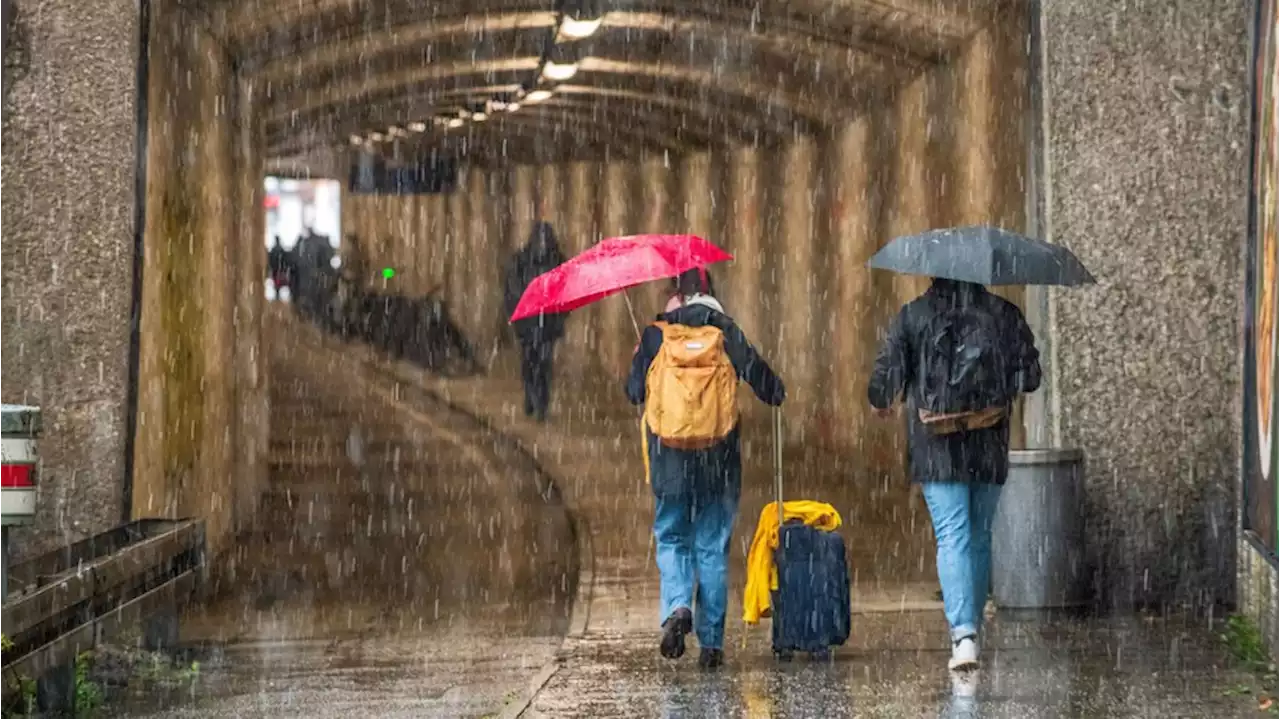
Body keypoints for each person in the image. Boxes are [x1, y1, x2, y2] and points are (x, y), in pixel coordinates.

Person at [867, 278, 1041, 671]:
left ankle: (963, 635)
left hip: (935, 443)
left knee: (952, 534)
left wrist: (882, 399)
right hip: (989, 440)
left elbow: (883, 381)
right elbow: (1030, 377)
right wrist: (996, 386)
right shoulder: (1003, 313)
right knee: (978, 535)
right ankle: (971, 629)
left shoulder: (913, 315)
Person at [627, 268, 785, 669]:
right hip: (720, 459)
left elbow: (631, 393)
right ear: (710, 292)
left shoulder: (656, 334)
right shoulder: (725, 330)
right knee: (711, 546)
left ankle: (679, 607)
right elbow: (766, 384)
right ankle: (712, 644)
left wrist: (643, 360)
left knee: (673, 538)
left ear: (676, 293)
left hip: (669, 460)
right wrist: (776, 390)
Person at [503, 221, 567, 421]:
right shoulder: (521, 261)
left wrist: (556, 312)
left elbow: (566, 294)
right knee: (530, 362)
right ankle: (531, 396)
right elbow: (512, 291)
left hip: (547, 324)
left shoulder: (557, 262)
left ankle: (542, 404)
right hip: (528, 323)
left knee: (544, 364)